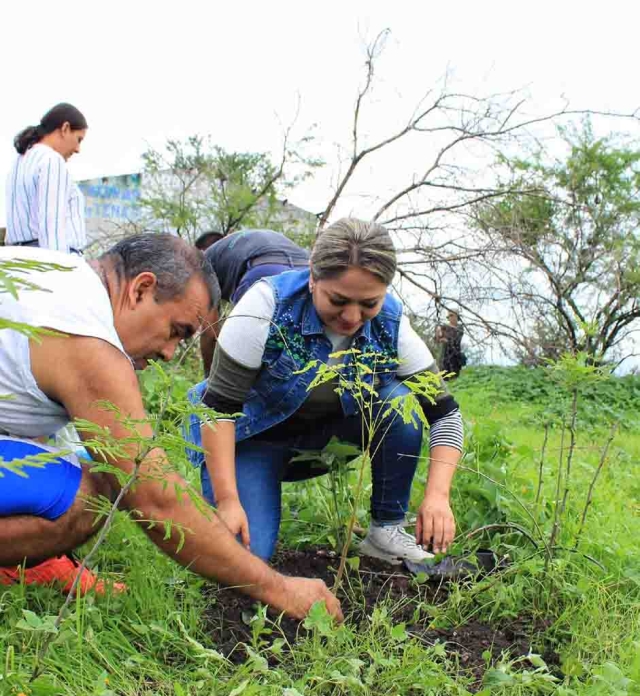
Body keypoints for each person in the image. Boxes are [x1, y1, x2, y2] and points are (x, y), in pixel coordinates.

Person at [0, 234, 342, 620]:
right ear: (142, 289)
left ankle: (28, 559)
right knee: (96, 488)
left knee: (80, 459)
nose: (167, 353)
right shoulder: (87, 341)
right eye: (177, 332)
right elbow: (154, 499)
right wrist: (279, 589)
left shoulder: (59, 272)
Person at [186, 218, 464, 565]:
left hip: (322, 439)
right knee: (243, 560)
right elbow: (218, 410)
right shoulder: (265, 308)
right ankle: (239, 495)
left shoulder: (391, 324)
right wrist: (228, 501)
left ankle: (386, 530)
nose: (351, 316)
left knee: (398, 402)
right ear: (313, 278)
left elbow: (446, 415)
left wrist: (438, 495)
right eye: (338, 299)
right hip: (254, 437)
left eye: (369, 303)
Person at [199, 229, 310, 374]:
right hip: (306, 273)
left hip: (264, 270)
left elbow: (209, 332)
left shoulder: (203, 262)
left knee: (241, 352)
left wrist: (209, 379)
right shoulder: (244, 240)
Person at [5, 103, 88, 255]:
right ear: (65, 128)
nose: (78, 149)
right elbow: (53, 229)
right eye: (79, 139)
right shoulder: (51, 160)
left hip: (19, 257)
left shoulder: (20, 161)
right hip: (52, 259)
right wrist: (61, 270)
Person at [435, 311, 466, 378]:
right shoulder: (444, 327)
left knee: (454, 374)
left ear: (456, 316)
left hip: (455, 354)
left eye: (452, 315)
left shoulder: (460, 327)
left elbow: (455, 338)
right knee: (443, 374)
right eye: (449, 316)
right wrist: (438, 333)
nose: (450, 317)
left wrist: (446, 339)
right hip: (445, 354)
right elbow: (438, 339)